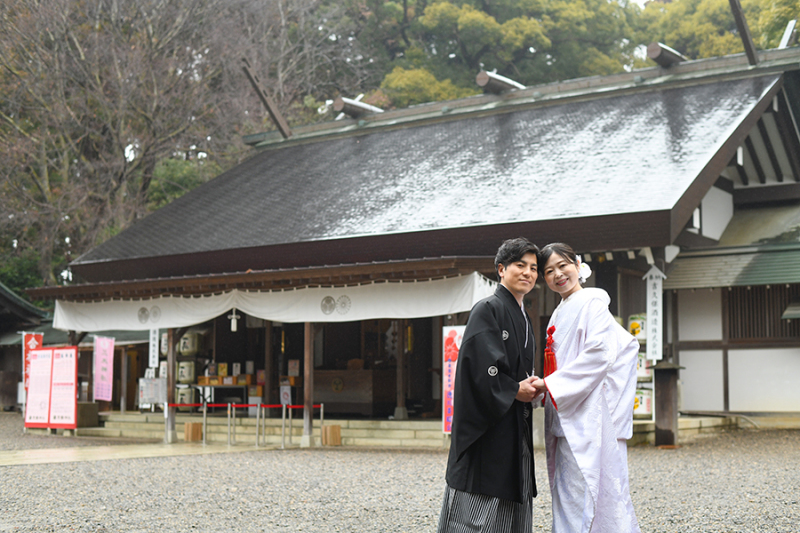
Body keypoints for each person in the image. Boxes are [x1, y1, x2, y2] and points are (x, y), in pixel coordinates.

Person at [531, 243, 641, 533]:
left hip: (585, 413)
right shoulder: (559, 312)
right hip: (565, 410)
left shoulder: (592, 303)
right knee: (569, 492)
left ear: (577, 265)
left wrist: (550, 384)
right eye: (549, 271)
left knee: (589, 490)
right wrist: (547, 386)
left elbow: (601, 354)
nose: (558, 275)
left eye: (563, 266)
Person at [437, 237, 540, 533]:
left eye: (533, 268)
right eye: (520, 265)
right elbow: (482, 370)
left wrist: (530, 387)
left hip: (513, 425)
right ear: (501, 269)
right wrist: (514, 390)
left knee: (511, 495)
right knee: (479, 508)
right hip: (487, 429)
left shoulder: (523, 317)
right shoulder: (488, 309)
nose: (528, 273)